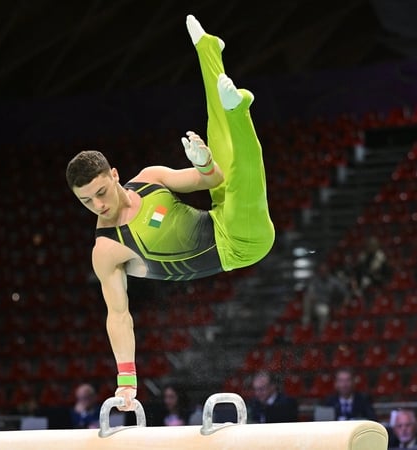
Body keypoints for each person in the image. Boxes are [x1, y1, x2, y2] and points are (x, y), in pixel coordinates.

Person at [65, 15, 275, 410]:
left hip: (219, 214)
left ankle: (209, 50)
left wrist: (202, 162)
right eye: (86, 201)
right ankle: (240, 109)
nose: (98, 205)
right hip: (241, 245)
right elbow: (119, 316)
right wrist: (126, 381)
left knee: (219, 139)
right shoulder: (107, 249)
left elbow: (212, 180)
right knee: (246, 177)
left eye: (100, 193)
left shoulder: (150, 178)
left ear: (114, 175)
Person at [301, 261, 352, 333]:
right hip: (314, 304)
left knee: (323, 312)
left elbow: (345, 292)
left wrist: (344, 304)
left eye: (324, 271)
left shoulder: (333, 281)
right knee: (307, 297)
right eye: (321, 271)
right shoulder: (315, 280)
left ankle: (322, 333)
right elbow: (309, 290)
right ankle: (306, 321)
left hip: (325, 304)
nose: (323, 272)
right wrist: (312, 296)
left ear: (328, 271)